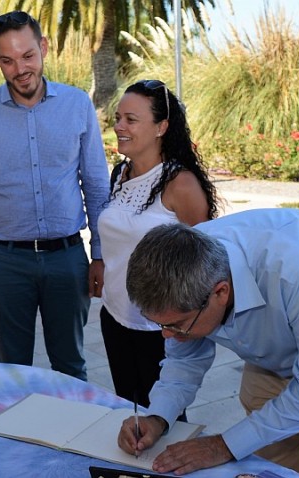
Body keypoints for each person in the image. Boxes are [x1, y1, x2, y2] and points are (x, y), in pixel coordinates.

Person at [117, 210, 299, 478]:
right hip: (274, 352)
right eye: (161, 325)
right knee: (270, 454)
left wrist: (223, 446)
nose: (167, 335)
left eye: (176, 324)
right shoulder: (189, 265)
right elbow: (184, 361)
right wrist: (158, 418)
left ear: (220, 292)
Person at [0, 10, 110, 380]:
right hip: (4, 263)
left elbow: (96, 185)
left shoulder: (77, 105)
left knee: (71, 366)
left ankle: (72, 434)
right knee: (11, 369)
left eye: (27, 56)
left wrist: (100, 254)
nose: (20, 68)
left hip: (67, 258)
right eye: (7, 60)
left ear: (43, 47)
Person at [97, 79, 219, 408]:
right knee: (128, 411)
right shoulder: (119, 174)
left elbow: (208, 260)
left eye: (131, 120)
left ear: (161, 126)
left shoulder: (181, 183)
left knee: (165, 417)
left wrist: (189, 324)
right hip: (114, 317)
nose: (119, 127)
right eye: (118, 118)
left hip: (161, 328)